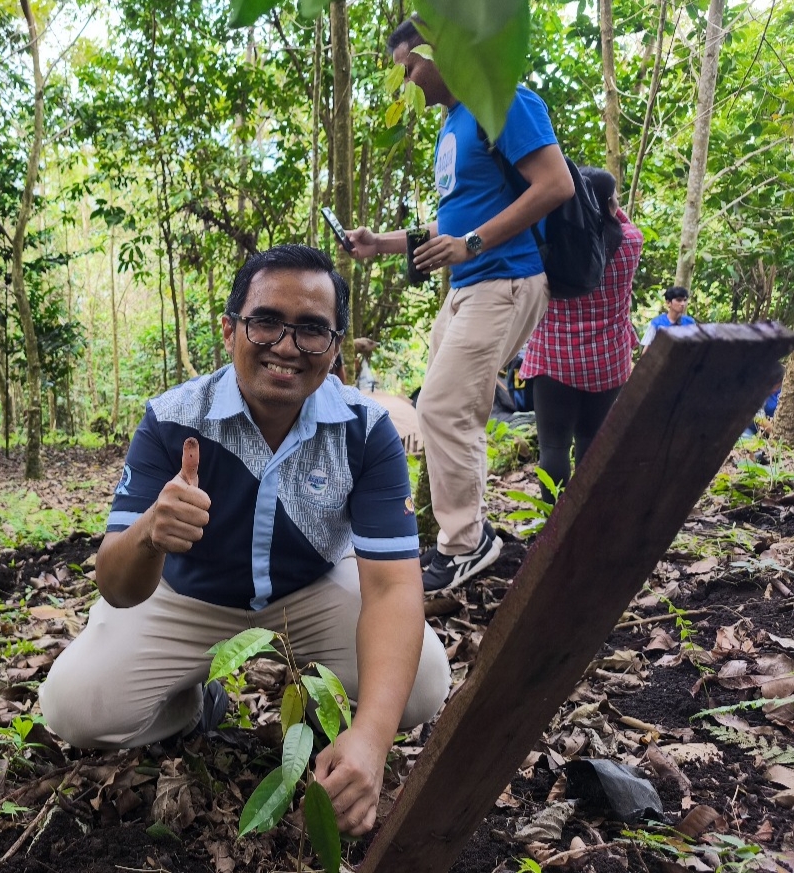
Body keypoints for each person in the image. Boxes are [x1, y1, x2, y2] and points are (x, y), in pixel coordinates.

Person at [38, 245, 450, 837]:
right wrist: (151, 532)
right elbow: (116, 586)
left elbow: (391, 588)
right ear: (230, 329)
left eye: (312, 329)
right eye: (266, 322)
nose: (286, 345)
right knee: (75, 709)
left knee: (422, 685)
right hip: (185, 597)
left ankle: (324, 714)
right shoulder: (173, 419)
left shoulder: (365, 430)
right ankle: (189, 704)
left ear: (334, 348)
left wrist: (372, 740)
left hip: (308, 591)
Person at [346, 16, 575, 592]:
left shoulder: (503, 101)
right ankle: (468, 534)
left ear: (440, 51)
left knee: (445, 408)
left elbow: (556, 184)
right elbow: (455, 219)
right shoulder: (453, 125)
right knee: (444, 410)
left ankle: (466, 544)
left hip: (506, 279)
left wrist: (472, 243)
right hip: (467, 286)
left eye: (409, 68)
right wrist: (382, 243)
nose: (406, 83)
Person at [519, 167, 643, 498]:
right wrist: (608, 205)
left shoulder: (550, 248)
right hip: (607, 362)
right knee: (592, 442)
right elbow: (623, 222)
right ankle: (587, 516)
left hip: (554, 360)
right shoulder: (631, 243)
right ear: (611, 203)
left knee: (553, 447)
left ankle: (554, 519)